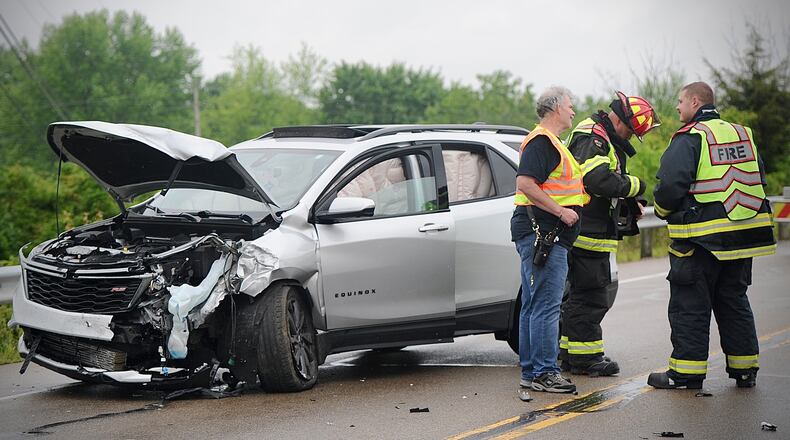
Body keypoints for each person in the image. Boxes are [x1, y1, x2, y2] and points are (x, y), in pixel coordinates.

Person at [648, 81, 776, 389]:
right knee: (734, 301)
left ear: (695, 102)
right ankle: (746, 370)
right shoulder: (743, 134)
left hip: (701, 240)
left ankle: (686, 374)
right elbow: (757, 178)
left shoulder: (690, 137)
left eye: (680, 102)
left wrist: (662, 212)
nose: (677, 107)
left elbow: (669, 187)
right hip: (744, 238)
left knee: (690, 305)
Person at [559, 92, 660, 376]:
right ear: (619, 118)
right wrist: (637, 185)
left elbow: (603, 182)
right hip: (586, 233)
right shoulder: (594, 136)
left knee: (581, 295)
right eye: (630, 130)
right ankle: (586, 360)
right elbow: (597, 180)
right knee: (591, 296)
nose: (629, 137)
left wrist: (631, 203)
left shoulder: (603, 136)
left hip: (591, 230)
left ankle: (569, 354)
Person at [511, 86, 589, 395]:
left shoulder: (553, 143)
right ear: (556, 108)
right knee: (545, 305)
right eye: (570, 106)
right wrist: (561, 212)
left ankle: (532, 372)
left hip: (542, 233)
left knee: (534, 305)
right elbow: (525, 183)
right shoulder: (543, 141)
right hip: (544, 234)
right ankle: (544, 372)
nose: (573, 111)